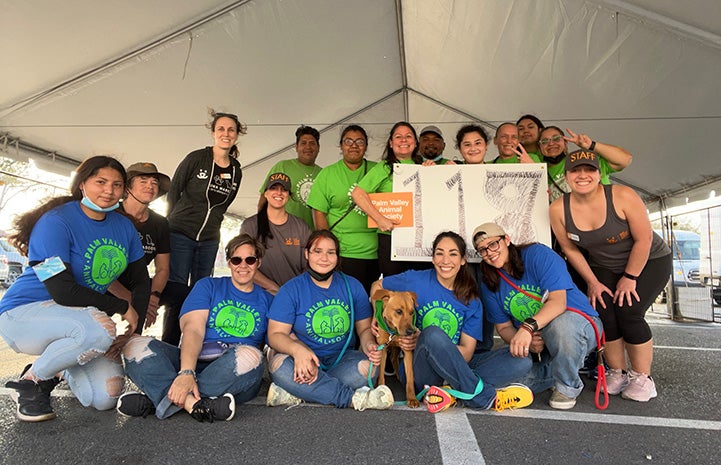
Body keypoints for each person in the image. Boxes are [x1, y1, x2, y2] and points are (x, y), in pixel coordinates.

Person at [0, 156, 148, 422]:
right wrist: (122, 307)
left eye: (116, 185)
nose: (109, 190)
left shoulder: (123, 226)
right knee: (100, 329)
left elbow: (140, 278)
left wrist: (134, 330)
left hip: (78, 320)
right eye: (100, 182)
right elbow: (61, 291)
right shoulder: (54, 222)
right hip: (22, 315)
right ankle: (33, 382)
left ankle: (59, 366)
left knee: (106, 396)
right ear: (82, 184)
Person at [549, 150, 672, 402]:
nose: (583, 175)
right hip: (603, 265)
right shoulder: (558, 208)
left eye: (589, 170)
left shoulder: (622, 195)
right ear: (567, 176)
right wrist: (592, 282)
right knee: (605, 311)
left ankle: (643, 377)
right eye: (576, 171)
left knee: (629, 310)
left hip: (648, 260)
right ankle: (617, 371)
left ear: (599, 173)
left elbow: (644, 239)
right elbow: (570, 249)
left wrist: (630, 276)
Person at [371, 231, 533, 411]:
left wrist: (437, 346)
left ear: (463, 260)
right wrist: (378, 316)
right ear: (433, 259)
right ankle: (480, 397)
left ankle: (448, 392)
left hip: (456, 365)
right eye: (440, 253)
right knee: (431, 333)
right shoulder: (415, 279)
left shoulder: (471, 299)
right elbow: (377, 286)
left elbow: (467, 353)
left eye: (453, 254)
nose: (445, 260)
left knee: (521, 360)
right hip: (421, 370)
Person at [117, 234, 272, 422]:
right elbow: (194, 330)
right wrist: (187, 372)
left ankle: (159, 399)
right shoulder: (208, 286)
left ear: (259, 263)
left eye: (250, 260)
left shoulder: (268, 300)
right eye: (237, 259)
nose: (243, 266)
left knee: (251, 356)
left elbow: (276, 340)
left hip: (231, 370)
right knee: (135, 345)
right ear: (229, 262)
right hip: (193, 358)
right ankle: (196, 404)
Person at [472, 222, 602, 409]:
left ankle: (566, 387)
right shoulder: (489, 280)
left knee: (561, 326)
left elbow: (558, 302)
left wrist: (526, 328)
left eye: (493, 244)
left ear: (506, 240)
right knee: (511, 375)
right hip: (540, 341)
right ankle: (551, 374)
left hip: (578, 325)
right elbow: (503, 327)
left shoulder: (537, 255)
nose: (489, 253)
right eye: (482, 250)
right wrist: (527, 342)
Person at [265, 229, 393, 410]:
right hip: (302, 361)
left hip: (340, 360)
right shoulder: (291, 289)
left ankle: (299, 391)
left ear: (337, 257)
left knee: (370, 368)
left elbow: (364, 330)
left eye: (330, 252)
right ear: (307, 254)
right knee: (278, 367)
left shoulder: (353, 286)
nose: (324, 258)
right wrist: (297, 351)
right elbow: (276, 334)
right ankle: (352, 399)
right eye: (318, 251)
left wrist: (369, 346)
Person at [166, 110, 245, 289]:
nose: (226, 134)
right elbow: (174, 191)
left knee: (201, 290)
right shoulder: (196, 158)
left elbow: (224, 204)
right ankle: (173, 319)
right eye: (221, 129)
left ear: (236, 134)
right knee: (176, 288)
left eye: (231, 130)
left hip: (209, 239)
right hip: (181, 234)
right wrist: (170, 224)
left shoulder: (236, 170)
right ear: (213, 133)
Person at [307, 125, 379, 292]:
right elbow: (319, 213)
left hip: (376, 253)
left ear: (366, 146)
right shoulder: (327, 174)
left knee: (371, 304)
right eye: (348, 141)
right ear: (341, 146)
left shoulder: (378, 170)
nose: (354, 145)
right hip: (343, 253)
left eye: (359, 141)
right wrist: (330, 249)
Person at [351, 122, 423, 277]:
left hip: (420, 240)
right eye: (398, 137)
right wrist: (379, 219)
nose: (403, 140)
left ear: (415, 142)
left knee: (420, 287)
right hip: (391, 239)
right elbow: (357, 194)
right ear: (391, 143)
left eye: (408, 136)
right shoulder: (384, 167)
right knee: (394, 290)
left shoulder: (424, 165)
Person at [109, 162, 171, 334]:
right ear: (128, 187)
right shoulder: (110, 214)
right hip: (106, 282)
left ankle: (171, 348)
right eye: (143, 181)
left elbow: (163, 269)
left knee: (181, 293)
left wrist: (153, 298)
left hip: (140, 283)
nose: (150, 186)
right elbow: (99, 270)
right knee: (98, 326)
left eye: (154, 182)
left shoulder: (160, 223)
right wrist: (135, 302)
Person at [241, 172, 310, 294]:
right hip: (259, 295)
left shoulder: (301, 226)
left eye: (284, 190)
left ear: (288, 195)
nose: (279, 193)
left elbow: (310, 265)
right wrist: (275, 289)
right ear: (266, 193)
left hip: (295, 295)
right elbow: (244, 265)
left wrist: (292, 293)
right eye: (273, 188)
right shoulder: (250, 225)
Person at [539, 126, 633, 203]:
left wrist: (591, 145)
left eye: (556, 138)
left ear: (565, 142)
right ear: (540, 148)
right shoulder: (539, 172)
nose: (551, 143)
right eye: (544, 141)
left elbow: (625, 159)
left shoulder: (585, 158)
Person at [258, 125, 323, 230]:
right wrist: (262, 226)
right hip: (281, 232)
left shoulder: (323, 173)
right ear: (296, 147)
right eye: (303, 143)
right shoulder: (283, 166)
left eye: (312, 143)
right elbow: (263, 199)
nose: (308, 147)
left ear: (318, 147)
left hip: (311, 235)